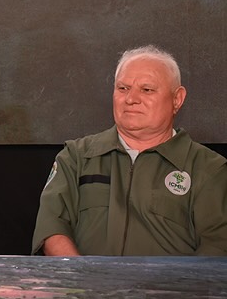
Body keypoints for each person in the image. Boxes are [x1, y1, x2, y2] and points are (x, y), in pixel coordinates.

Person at [32, 45, 227, 256]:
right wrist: (84, 281)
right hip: (87, 286)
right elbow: (52, 228)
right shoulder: (76, 157)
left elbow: (217, 247)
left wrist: (172, 288)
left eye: (147, 90)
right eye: (123, 88)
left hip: (173, 288)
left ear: (177, 99)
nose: (131, 99)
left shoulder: (209, 169)